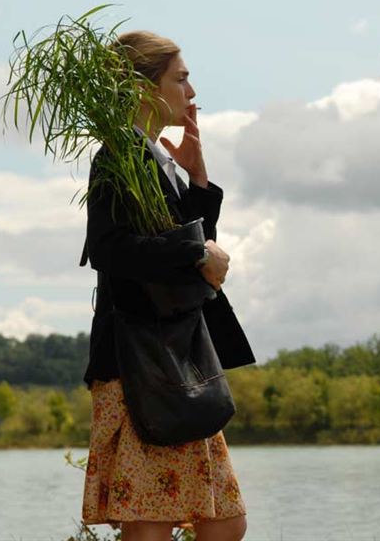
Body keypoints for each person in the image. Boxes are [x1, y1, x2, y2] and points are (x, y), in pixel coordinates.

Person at [78, 31, 255, 541]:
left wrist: (198, 182)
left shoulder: (155, 156)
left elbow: (181, 264)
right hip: (141, 364)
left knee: (224, 523)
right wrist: (197, 250)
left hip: (176, 360)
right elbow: (110, 249)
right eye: (180, 79)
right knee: (151, 525)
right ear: (143, 87)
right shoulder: (118, 155)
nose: (192, 92)